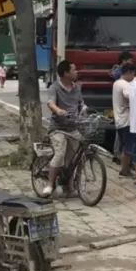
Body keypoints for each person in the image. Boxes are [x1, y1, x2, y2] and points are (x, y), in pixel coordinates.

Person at [44, 60, 86, 198]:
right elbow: (50, 103)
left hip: (73, 127)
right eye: (74, 70)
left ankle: (69, 185)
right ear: (66, 73)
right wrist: (58, 110)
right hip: (58, 128)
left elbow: (80, 103)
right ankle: (49, 184)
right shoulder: (54, 87)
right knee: (60, 154)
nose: (76, 72)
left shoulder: (77, 88)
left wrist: (84, 109)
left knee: (74, 157)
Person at [111, 61, 136, 178]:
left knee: (125, 145)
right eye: (133, 74)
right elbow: (128, 95)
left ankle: (125, 168)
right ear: (129, 73)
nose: (134, 77)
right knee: (128, 147)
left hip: (119, 120)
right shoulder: (124, 84)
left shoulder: (116, 83)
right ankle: (125, 170)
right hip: (127, 120)